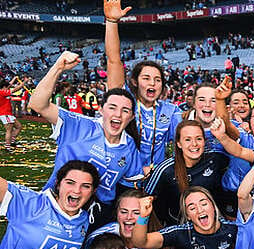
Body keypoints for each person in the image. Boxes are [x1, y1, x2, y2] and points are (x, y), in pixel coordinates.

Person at [30, 51, 139, 229]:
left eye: (125, 111)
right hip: (55, 207)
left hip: (97, 217)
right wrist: (58, 67)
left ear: (131, 117)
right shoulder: (78, 125)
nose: (118, 114)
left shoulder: (130, 147)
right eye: (112, 107)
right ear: (101, 109)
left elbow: (128, 187)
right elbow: (37, 104)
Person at [104, 0, 183, 189]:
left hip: (155, 180)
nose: (152, 83)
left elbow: (187, 136)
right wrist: (112, 22)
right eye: (146, 78)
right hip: (121, 178)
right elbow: (114, 60)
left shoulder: (171, 111)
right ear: (134, 81)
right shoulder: (126, 102)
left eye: (157, 80)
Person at [145, 120, 229, 225]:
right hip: (179, 228)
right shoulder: (165, 170)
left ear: (204, 141)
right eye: (187, 140)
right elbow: (146, 199)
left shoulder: (215, 159)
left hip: (213, 224)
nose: (194, 144)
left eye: (198, 139)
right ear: (179, 144)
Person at [0, 77, 24, 152]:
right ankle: (8, 147)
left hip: (9, 114)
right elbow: (14, 90)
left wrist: (14, 78)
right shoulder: (1, 92)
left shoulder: (3, 91)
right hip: (5, 113)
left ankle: (12, 141)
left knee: (19, 126)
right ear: (3, 87)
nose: (7, 88)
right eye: (6, 87)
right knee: (9, 130)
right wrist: (23, 83)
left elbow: (9, 86)